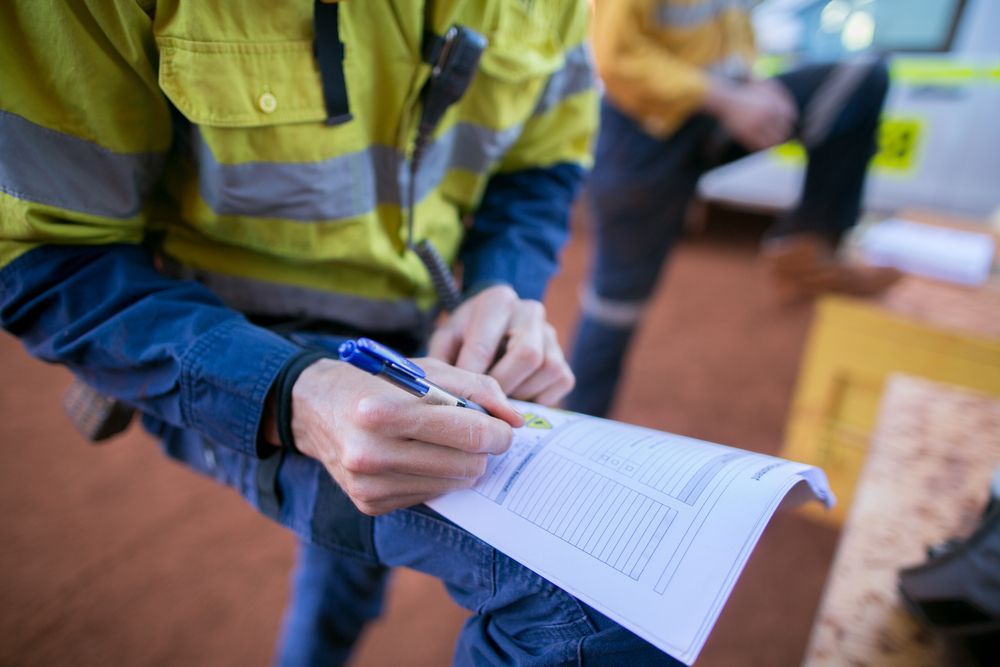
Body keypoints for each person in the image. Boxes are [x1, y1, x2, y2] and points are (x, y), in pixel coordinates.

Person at [0, 1, 678, 664]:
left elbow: (543, 160)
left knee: (352, 556)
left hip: (420, 343)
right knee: (598, 598)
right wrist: (293, 393)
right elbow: (44, 261)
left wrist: (501, 283)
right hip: (234, 346)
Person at [566, 0, 901, 418]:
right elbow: (615, 57)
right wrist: (725, 98)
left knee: (861, 77)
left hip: (706, 115)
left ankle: (810, 247)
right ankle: (577, 427)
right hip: (639, 137)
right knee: (616, 306)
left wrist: (752, 83)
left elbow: (731, 29)